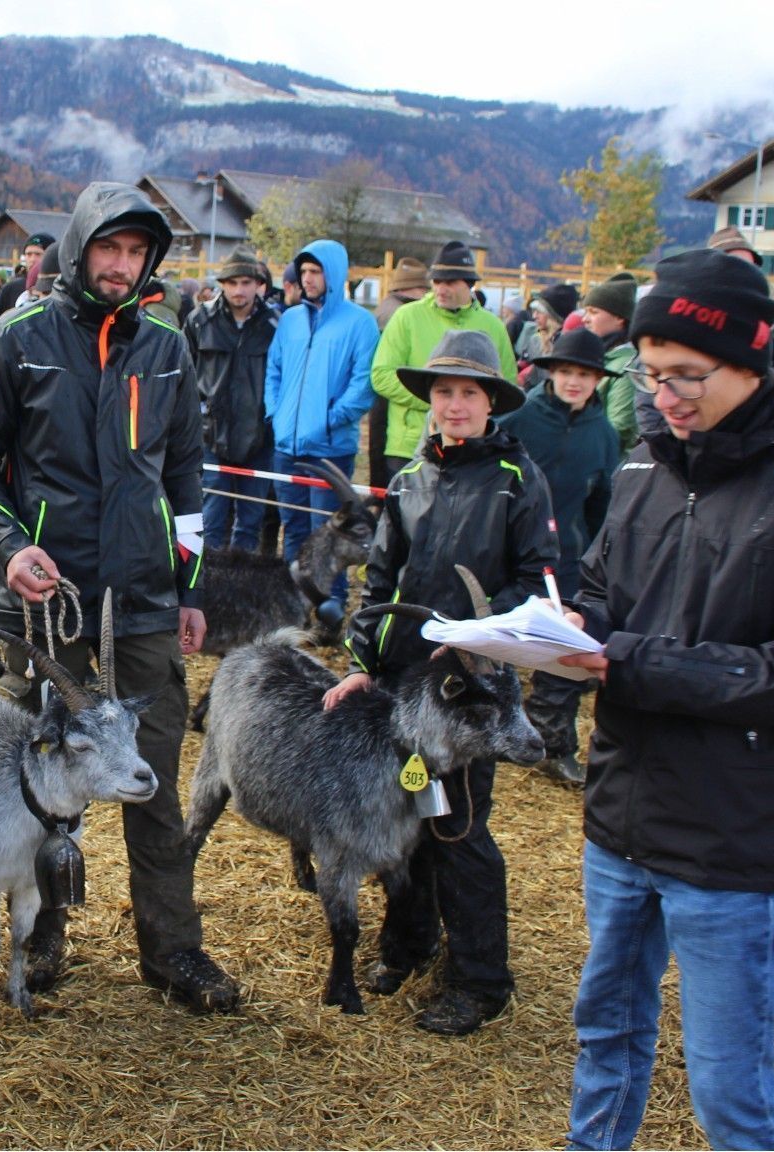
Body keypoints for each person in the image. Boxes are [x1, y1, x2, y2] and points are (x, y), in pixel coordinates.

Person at [559, 248, 774, 1150]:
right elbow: (600, 596)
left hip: (735, 830)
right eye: (649, 372)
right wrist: (555, 633)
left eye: (687, 376)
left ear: (755, 361)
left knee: (726, 1083)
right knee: (607, 1037)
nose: (663, 396)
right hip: (625, 813)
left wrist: (628, 663)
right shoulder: (643, 471)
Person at [0, 181, 239, 1015]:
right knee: (44, 777)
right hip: (52, 602)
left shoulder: (169, 349)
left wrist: (188, 585)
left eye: (135, 252)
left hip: (145, 600)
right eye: (107, 248)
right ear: (79, 249)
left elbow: (186, 475)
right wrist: (12, 545)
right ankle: (41, 935)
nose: (120, 265)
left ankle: (173, 951)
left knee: (150, 781)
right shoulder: (21, 340)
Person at [330, 328, 555, 1035]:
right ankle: (408, 943)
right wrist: (364, 664)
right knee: (408, 815)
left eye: (468, 394)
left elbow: (538, 581)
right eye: (444, 393)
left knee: (457, 826)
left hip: (470, 693)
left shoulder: (518, 481)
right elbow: (382, 582)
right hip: (404, 686)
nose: (454, 406)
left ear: (492, 402)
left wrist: (479, 638)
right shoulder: (407, 481)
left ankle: (482, 978)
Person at [498, 328, 619, 785]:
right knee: (493, 645)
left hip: (568, 556)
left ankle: (553, 742)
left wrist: (595, 551)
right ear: (551, 374)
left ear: (597, 381)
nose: (575, 381)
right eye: (566, 371)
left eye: (585, 375)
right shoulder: (520, 420)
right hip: (511, 551)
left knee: (564, 652)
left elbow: (602, 502)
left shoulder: (604, 436)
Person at [263, 239, 378, 626]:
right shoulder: (291, 320)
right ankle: (297, 605)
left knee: (326, 533)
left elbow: (363, 384)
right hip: (287, 444)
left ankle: (330, 611)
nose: (307, 279)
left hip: (330, 447)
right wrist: (276, 413)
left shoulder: (359, 324)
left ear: (334, 274)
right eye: (304, 272)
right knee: (293, 528)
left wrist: (328, 419)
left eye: (315, 272)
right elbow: (274, 370)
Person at [374, 241, 517, 477]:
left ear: (470, 285)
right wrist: (435, 400)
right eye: (437, 281)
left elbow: (507, 383)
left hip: (473, 449)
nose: (441, 288)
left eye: (450, 282)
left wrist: (465, 412)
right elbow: (381, 375)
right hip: (407, 448)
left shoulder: (493, 327)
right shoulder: (406, 317)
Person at [187, 243, 277, 554]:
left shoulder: (274, 326)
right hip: (212, 435)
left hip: (259, 436)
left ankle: (243, 592)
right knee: (211, 520)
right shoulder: (200, 322)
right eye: (232, 283)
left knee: (249, 522)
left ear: (258, 285)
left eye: (246, 283)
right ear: (222, 285)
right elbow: (186, 375)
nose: (239, 290)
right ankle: (207, 589)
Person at [367, 258, 429, 490]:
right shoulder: (402, 314)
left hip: (384, 401)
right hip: (397, 406)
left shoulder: (385, 307)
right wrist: (424, 396)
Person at [579, 272, 640, 451]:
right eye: (585, 311)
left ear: (619, 317)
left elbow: (620, 429)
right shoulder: (602, 357)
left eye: (593, 312)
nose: (585, 319)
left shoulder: (626, 366)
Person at [0, 230, 53, 317]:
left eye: (38, 254)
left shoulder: (60, 287)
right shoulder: (10, 289)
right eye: (28, 254)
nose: (32, 259)